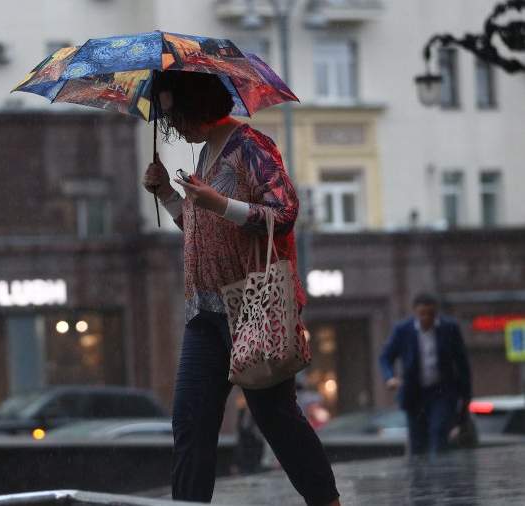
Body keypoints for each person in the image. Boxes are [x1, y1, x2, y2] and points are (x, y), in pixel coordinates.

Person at [142, 70, 340, 506]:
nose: (178, 129)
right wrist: (169, 198)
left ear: (203, 108)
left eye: (180, 117)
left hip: (251, 307)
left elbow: (284, 211)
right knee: (190, 424)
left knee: (277, 420)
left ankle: (326, 502)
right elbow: (201, 232)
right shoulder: (204, 156)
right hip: (204, 315)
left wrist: (217, 202)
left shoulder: (251, 147)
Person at [378, 293, 473, 458]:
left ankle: (442, 476)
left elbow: (461, 362)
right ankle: (420, 481)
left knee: (439, 432)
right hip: (414, 394)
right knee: (417, 442)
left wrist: (465, 394)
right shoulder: (403, 330)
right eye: (422, 314)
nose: (426, 318)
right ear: (415, 312)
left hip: (442, 392)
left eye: (430, 314)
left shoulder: (449, 329)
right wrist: (390, 377)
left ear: (436, 313)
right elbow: (385, 356)